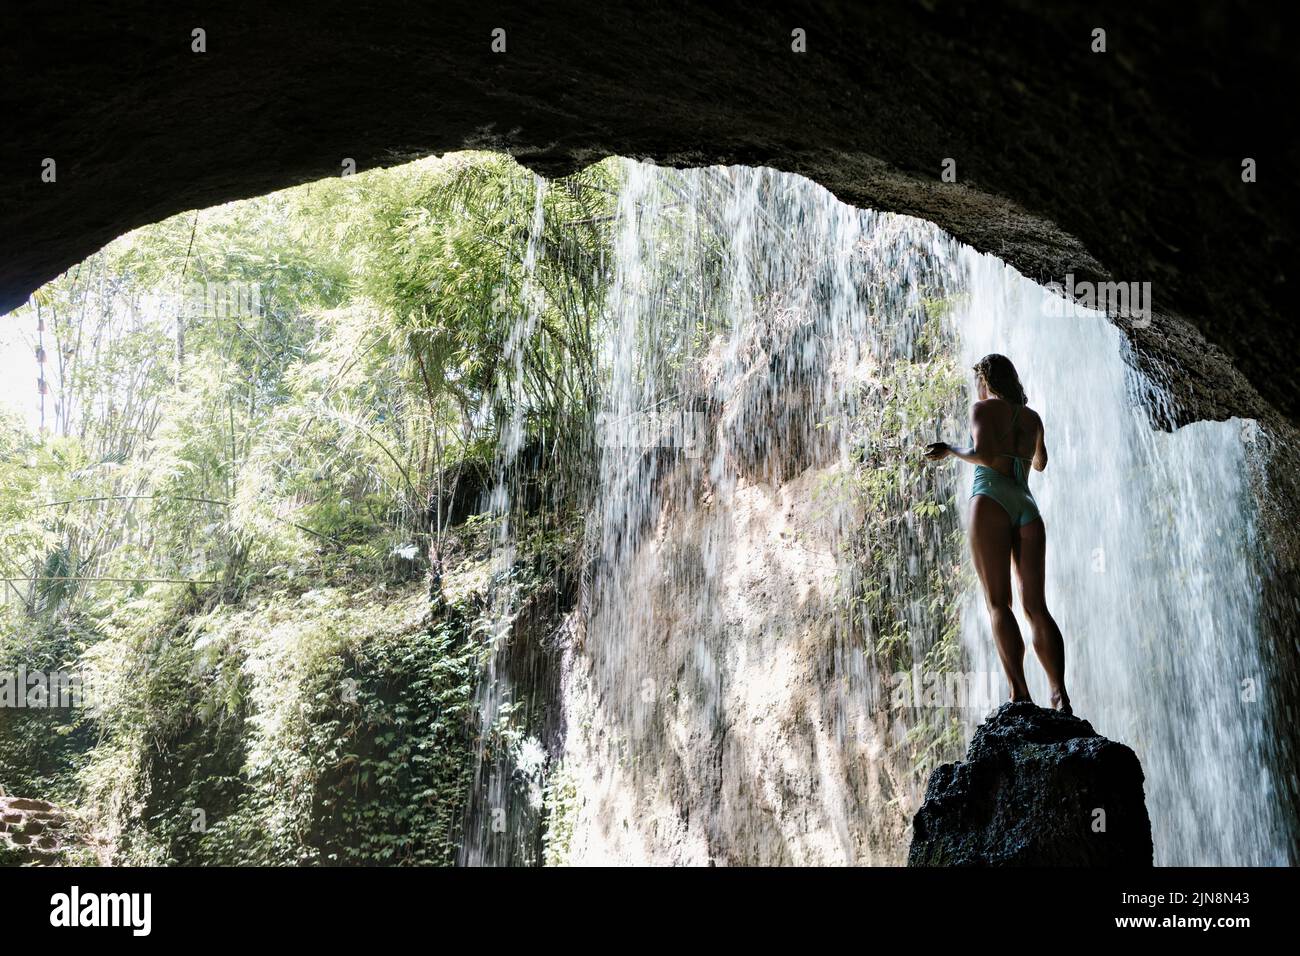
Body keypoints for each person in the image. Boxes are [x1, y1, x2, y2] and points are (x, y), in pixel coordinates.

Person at [923, 354, 1071, 713]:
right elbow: (1041, 462)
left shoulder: (982, 409)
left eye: (979, 382)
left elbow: (985, 456)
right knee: (1036, 607)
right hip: (1026, 505)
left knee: (998, 602)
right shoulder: (1032, 418)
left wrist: (951, 450)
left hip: (991, 498)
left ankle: (1020, 693)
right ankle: (1059, 693)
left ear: (986, 380)